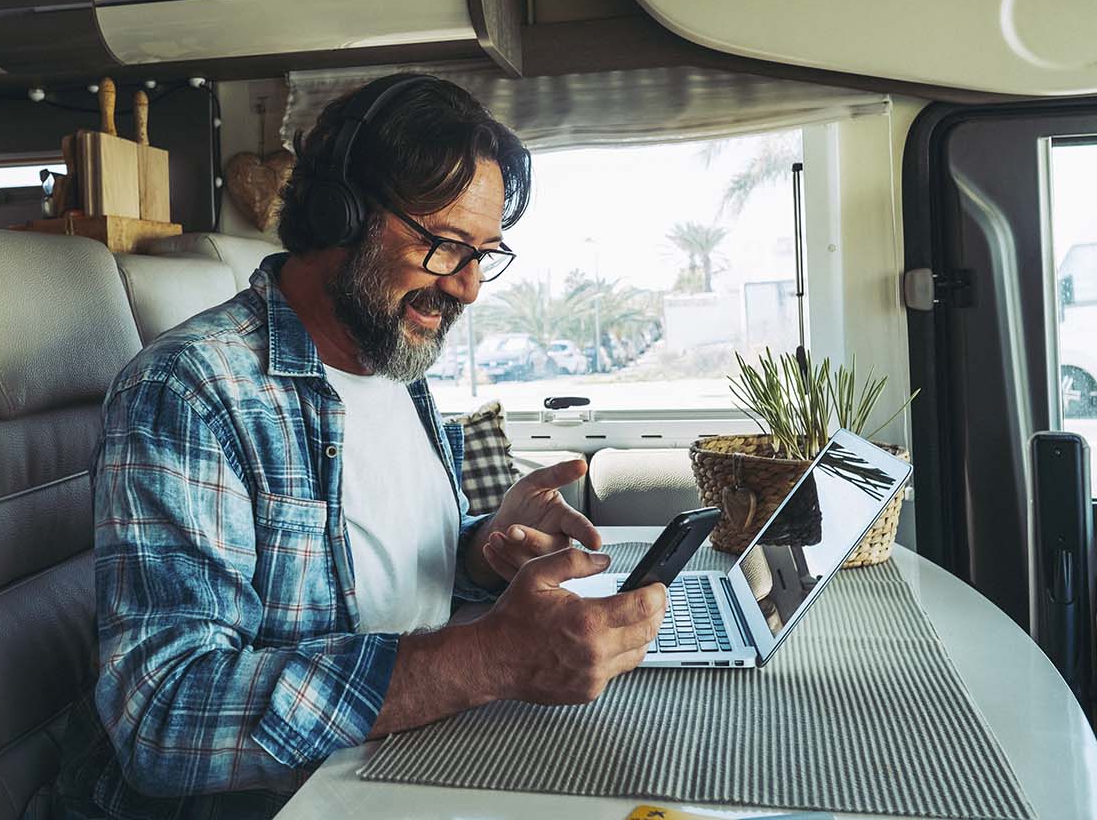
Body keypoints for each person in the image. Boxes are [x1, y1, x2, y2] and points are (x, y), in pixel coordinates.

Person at [51, 74, 667, 820]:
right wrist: (489, 658)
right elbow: (162, 717)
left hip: (415, 755)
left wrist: (482, 552)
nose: (469, 287)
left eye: (485, 254)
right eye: (444, 246)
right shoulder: (190, 392)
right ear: (342, 216)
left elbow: (379, 586)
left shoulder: (393, 360)